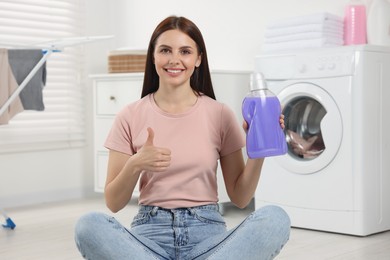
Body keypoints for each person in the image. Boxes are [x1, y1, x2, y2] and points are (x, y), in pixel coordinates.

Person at [75, 16, 290, 260]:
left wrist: (257, 150)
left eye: (185, 51)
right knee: (88, 225)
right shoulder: (130, 115)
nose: (174, 59)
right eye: (165, 50)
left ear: (198, 59)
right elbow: (113, 203)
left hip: (208, 239)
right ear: (153, 57)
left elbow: (240, 198)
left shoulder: (219, 114)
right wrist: (135, 165)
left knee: (275, 218)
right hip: (149, 239)